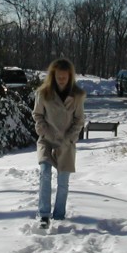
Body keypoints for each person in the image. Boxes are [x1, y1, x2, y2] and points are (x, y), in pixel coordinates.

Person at [32, 58, 86, 228]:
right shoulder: (43, 93)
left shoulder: (77, 96)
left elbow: (79, 120)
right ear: (53, 76)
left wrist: (69, 138)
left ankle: (59, 215)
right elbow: (37, 115)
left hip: (67, 142)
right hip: (46, 139)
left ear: (70, 77)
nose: (61, 80)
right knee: (45, 173)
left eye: (65, 77)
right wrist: (45, 132)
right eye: (58, 77)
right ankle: (44, 215)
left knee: (63, 182)